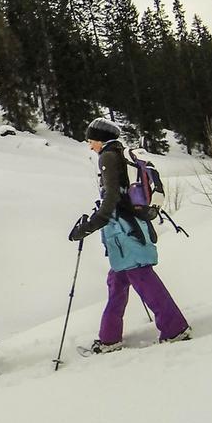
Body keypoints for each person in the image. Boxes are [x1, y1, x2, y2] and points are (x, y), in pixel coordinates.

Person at [68, 117, 192, 353]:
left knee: (144, 279)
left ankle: (175, 329)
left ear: (100, 140)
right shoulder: (120, 154)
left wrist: (88, 226)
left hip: (123, 232)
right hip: (130, 228)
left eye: (91, 140)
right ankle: (109, 338)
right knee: (117, 281)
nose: (90, 145)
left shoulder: (108, 156)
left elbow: (112, 199)